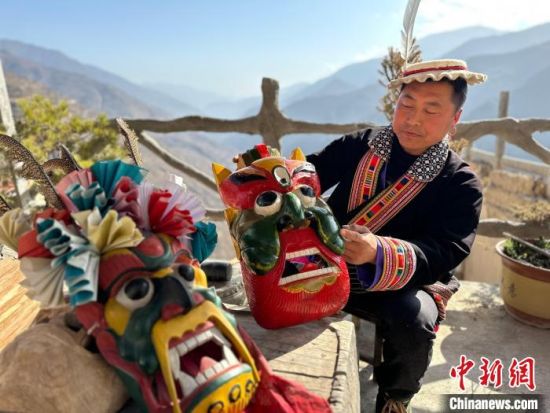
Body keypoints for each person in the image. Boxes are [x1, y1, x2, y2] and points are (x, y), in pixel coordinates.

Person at [306, 59, 487, 413]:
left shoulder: (461, 183)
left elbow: (446, 250)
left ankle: (395, 397)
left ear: (455, 119)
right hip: (333, 264)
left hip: (407, 284)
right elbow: (311, 173)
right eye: (407, 104)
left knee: (414, 320)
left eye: (431, 110)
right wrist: (272, 172)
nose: (413, 119)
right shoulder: (360, 145)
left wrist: (378, 252)